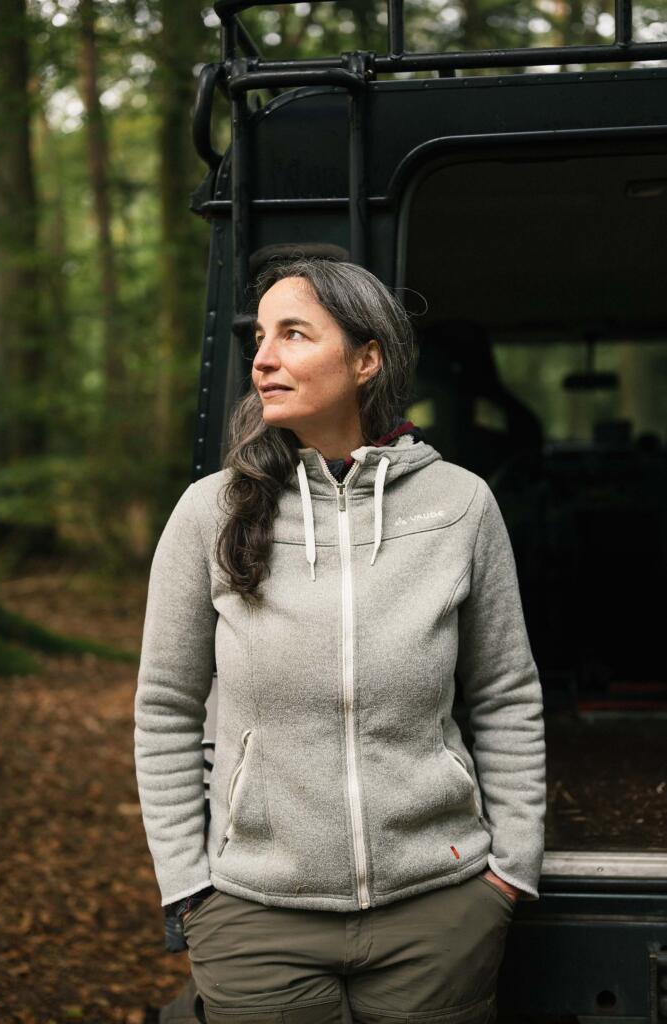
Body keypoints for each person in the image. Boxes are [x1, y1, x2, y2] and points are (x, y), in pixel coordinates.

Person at [134, 257, 547, 1024]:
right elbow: (163, 708)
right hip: (256, 915)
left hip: (437, 909)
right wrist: (190, 887)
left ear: (366, 359)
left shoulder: (461, 505)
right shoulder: (208, 512)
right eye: (261, 336)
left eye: (294, 334)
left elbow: (505, 695)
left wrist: (508, 871)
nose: (263, 357)